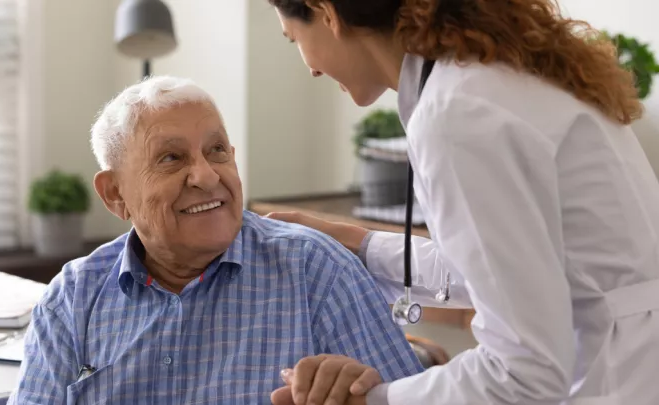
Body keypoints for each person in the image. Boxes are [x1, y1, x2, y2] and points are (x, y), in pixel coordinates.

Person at [265, 0, 659, 404]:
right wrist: (359, 244)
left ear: (326, 12)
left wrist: (372, 400)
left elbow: (524, 373)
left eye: (293, 37)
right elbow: (502, 268)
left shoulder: (456, 114)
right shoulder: (492, 75)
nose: (310, 68)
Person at [6, 76, 424, 404]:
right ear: (115, 194)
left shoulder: (316, 271)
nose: (207, 176)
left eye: (218, 151)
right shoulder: (73, 298)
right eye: (171, 158)